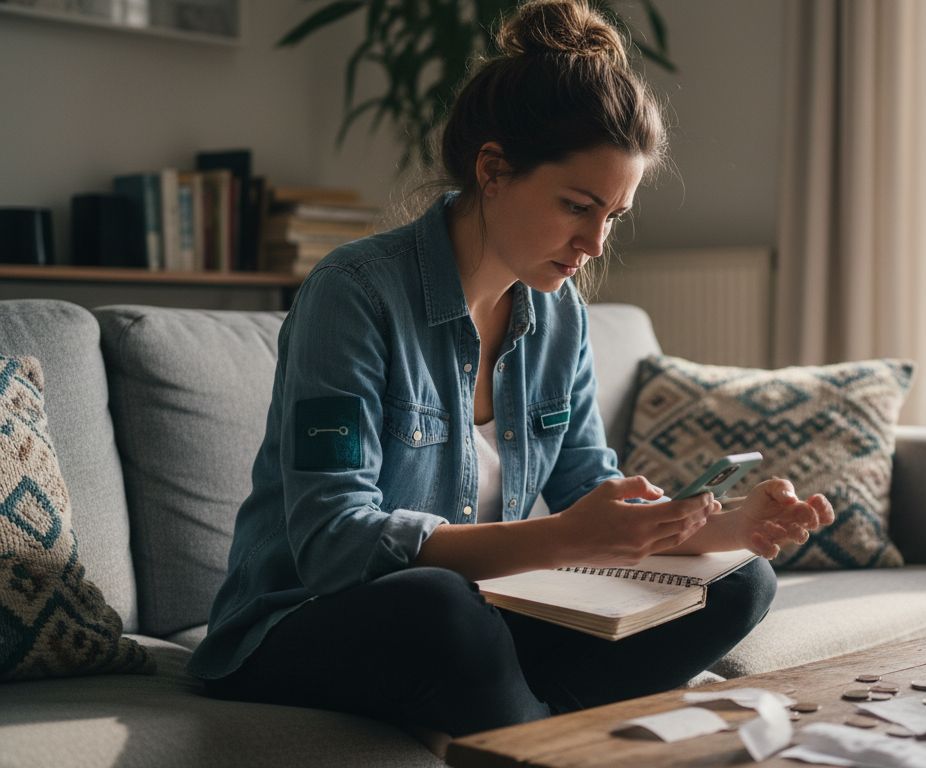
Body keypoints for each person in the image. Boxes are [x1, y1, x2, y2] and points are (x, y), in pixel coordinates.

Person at [187, 0, 834, 756]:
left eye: (614, 216)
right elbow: (334, 545)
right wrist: (561, 539)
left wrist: (731, 528)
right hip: (308, 621)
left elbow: (596, 492)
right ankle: (545, 731)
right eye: (576, 206)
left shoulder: (559, 318)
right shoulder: (354, 294)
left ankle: (520, 724)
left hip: (485, 619)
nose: (594, 243)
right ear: (493, 170)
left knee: (738, 582)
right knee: (441, 606)